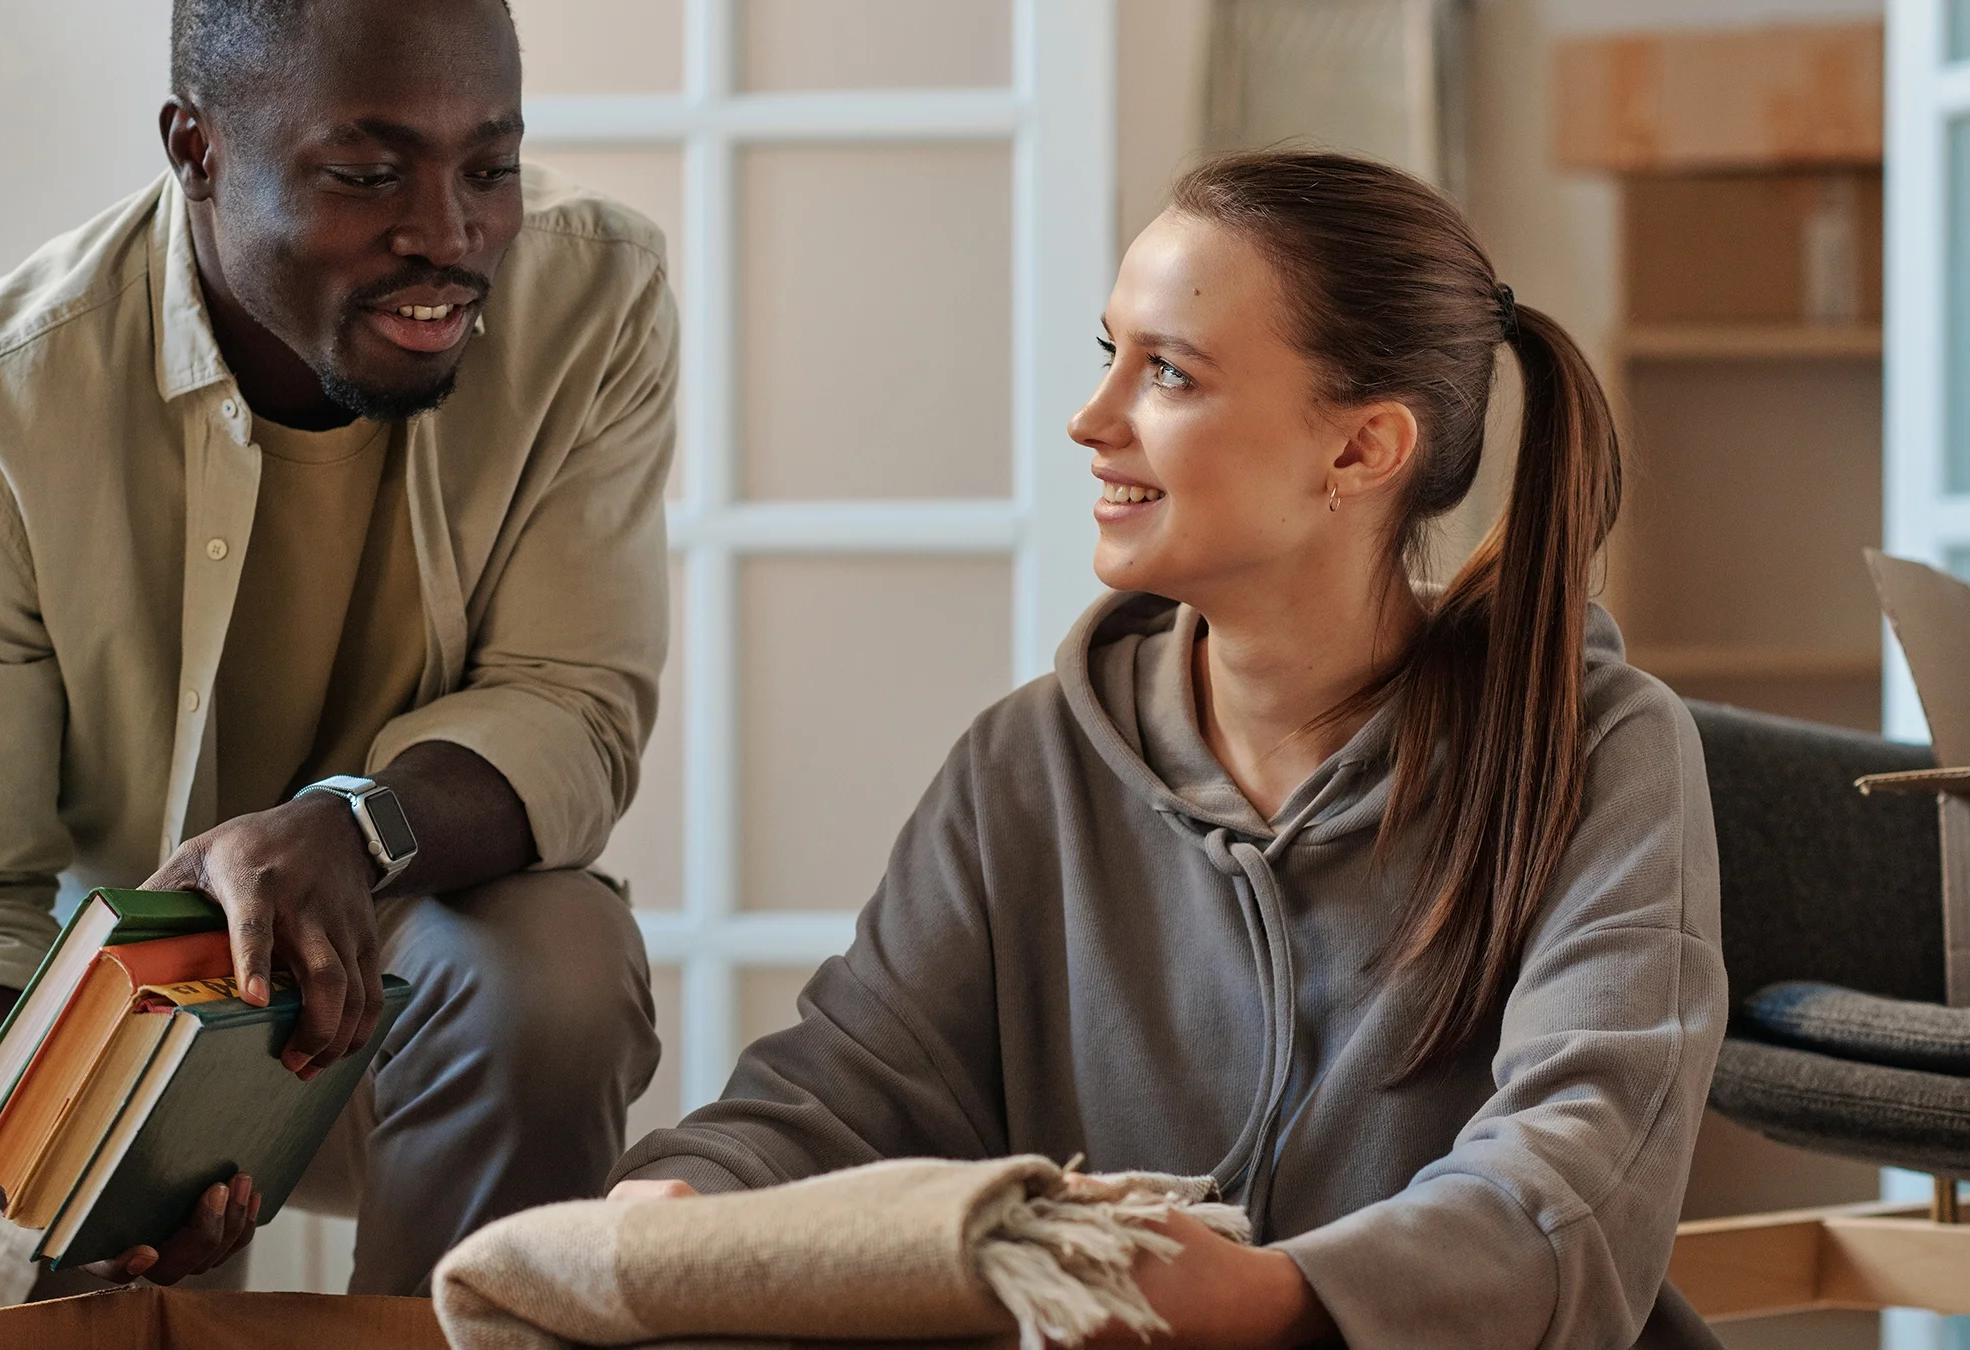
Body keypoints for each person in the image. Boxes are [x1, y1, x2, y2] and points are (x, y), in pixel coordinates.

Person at [609, 150, 1727, 1350]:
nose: (1094, 424)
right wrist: (692, 1193)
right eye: (1111, 357)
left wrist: (1269, 1301)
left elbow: (1574, 1176)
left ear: (1360, 451)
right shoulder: (1027, 764)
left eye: (1170, 376)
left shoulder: (1602, 752)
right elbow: (839, 1093)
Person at [0, 0, 671, 1326]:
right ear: (197, 149)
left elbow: (575, 704)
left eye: (488, 166)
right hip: (46, 1009)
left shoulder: (593, 296)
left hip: (405, 966)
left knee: (553, 961)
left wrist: (351, 828)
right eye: (366, 172)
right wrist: (75, 1164)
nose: (451, 236)